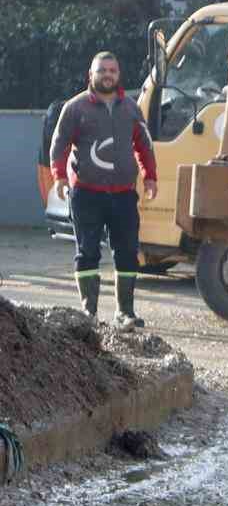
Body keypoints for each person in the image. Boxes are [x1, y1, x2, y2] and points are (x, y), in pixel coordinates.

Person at [50, 52, 158, 329]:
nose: (107, 74)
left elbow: (144, 145)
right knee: (87, 252)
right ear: (91, 75)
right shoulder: (75, 108)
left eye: (112, 70)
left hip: (123, 194)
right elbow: (59, 144)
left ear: (118, 75)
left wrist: (150, 177)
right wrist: (59, 177)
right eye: (102, 70)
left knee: (127, 251)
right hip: (86, 193)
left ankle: (125, 312)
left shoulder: (131, 108)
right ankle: (90, 314)